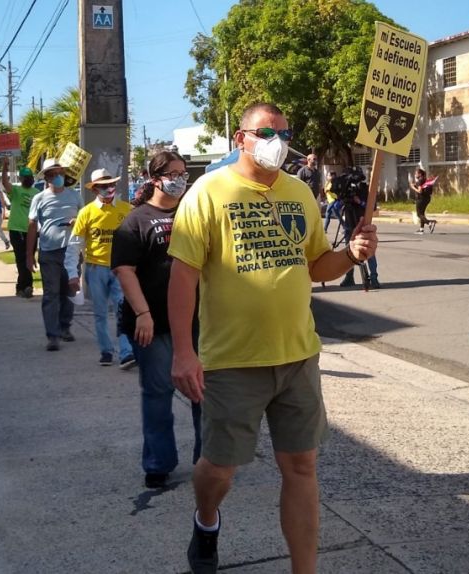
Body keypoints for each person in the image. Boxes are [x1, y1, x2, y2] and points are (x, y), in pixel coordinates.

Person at [167, 102, 378, 574]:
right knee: (219, 469)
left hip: (298, 355)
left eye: (284, 132)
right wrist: (183, 351)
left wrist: (351, 254)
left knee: (302, 466)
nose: (277, 141)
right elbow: (183, 278)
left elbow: (317, 264)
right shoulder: (208, 193)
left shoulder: (300, 193)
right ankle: (206, 518)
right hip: (232, 361)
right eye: (266, 132)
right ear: (241, 137)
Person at [113, 150, 202, 489]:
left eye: (183, 173)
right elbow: (125, 270)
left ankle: (208, 459)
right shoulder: (136, 220)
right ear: (154, 179)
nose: (180, 179)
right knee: (158, 393)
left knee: (203, 392)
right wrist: (143, 314)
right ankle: (158, 463)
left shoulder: (192, 213)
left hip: (197, 319)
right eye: (173, 173)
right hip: (153, 323)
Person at [67, 168, 135, 368]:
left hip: (120, 269)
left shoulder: (126, 210)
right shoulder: (86, 213)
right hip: (96, 269)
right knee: (100, 313)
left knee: (123, 310)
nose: (109, 188)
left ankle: (126, 352)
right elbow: (74, 244)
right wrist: (72, 273)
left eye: (111, 184)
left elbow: (134, 241)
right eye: (104, 186)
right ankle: (106, 351)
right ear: (95, 189)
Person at [27, 159, 83, 352]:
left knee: (69, 290)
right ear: (47, 177)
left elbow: (85, 220)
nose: (57, 177)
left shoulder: (75, 196)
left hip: (71, 251)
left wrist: (77, 221)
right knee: (51, 294)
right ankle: (52, 335)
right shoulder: (39, 198)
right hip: (49, 252)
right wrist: (29, 254)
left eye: (59, 173)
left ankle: (65, 327)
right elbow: (32, 226)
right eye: (53, 174)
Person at [3, 162, 42, 298]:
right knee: (21, 258)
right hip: (16, 229)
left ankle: (22, 287)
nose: (28, 179)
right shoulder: (16, 191)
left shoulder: (37, 193)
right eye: (25, 177)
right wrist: (4, 168)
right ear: (20, 179)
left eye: (29, 176)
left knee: (29, 256)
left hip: (32, 230)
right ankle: (27, 286)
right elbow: (5, 183)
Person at [411, 167, 436, 234]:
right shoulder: (425, 180)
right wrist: (416, 186)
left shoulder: (419, 181)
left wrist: (413, 187)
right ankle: (421, 229)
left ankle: (429, 223)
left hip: (421, 199)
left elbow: (420, 191)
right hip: (427, 198)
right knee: (422, 214)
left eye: (416, 173)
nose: (415, 175)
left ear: (420, 174)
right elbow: (423, 188)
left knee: (419, 214)